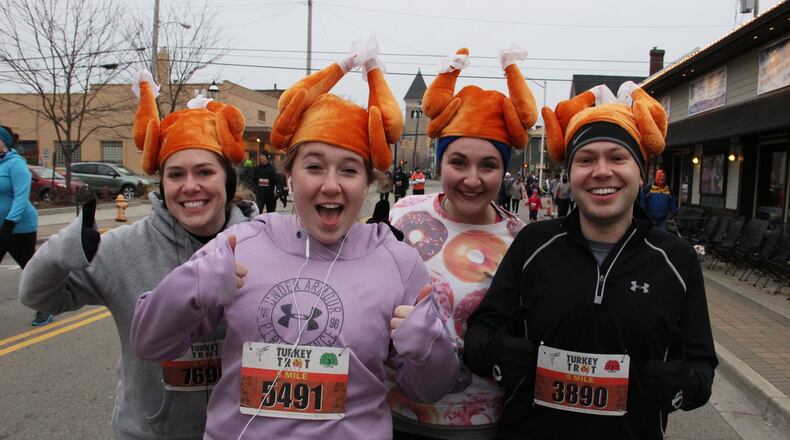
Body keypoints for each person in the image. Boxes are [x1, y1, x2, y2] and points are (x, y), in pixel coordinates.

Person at [130, 43, 458, 439]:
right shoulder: (240, 243)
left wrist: (429, 348)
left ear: (368, 183)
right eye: (314, 166)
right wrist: (189, 288)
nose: (331, 185)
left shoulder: (398, 261)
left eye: (349, 170)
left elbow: (429, 389)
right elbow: (149, 344)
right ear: (290, 177)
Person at [464, 81, 718, 439]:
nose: (601, 171)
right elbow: (481, 330)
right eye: (586, 159)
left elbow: (702, 363)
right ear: (571, 174)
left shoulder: (677, 259)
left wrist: (684, 386)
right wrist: (495, 354)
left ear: (640, 172)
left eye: (617, 157)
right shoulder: (533, 243)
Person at [18, 71, 258, 439]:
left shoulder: (262, 245)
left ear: (227, 179)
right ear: (162, 184)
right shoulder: (125, 248)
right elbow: (38, 296)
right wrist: (69, 245)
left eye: (204, 172)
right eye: (175, 175)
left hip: (241, 432)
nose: (190, 186)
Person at [388, 46, 536, 440]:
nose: (472, 179)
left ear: (504, 171)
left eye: (488, 165)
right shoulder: (403, 216)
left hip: (481, 424)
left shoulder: (521, 240)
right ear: (440, 163)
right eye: (458, 162)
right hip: (396, 416)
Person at [0, 125, 48, 326]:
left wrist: (9, 223)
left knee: (30, 269)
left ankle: (45, 307)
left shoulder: (16, 164)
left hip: (20, 227)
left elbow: (21, 196)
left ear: (4, 142)